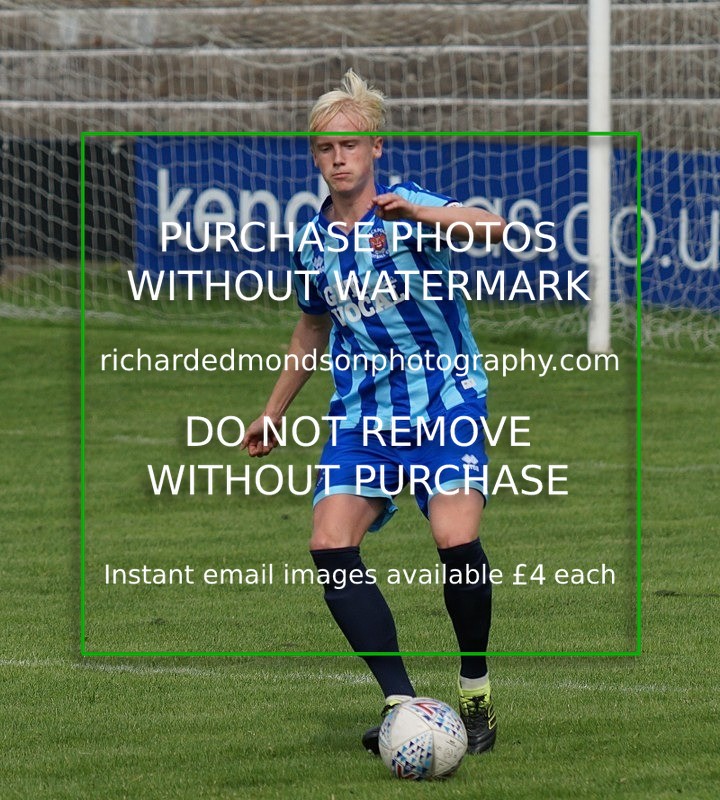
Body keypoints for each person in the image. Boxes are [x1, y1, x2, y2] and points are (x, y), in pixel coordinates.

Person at [242, 69, 506, 755]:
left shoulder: (407, 207)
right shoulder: (310, 242)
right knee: (330, 541)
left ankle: (474, 694)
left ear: (375, 148)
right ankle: (400, 703)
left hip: (446, 398)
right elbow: (311, 330)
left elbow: (494, 228)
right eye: (327, 147)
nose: (339, 157)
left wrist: (423, 217)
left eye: (351, 145)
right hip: (364, 414)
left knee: (454, 540)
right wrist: (272, 412)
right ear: (315, 155)